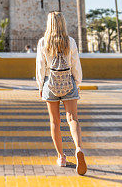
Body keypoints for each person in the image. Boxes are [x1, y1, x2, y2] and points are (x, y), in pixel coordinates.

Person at [36, 12, 87, 175]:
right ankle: (78, 148)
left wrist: (40, 86)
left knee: (55, 122)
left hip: (50, 84)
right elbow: (75, 64)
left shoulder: (43, 42)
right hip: (68, 82)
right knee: (72, 119)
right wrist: (77, 83)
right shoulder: (70, 41)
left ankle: (61, 156)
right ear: (63, 24)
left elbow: (40, 67)